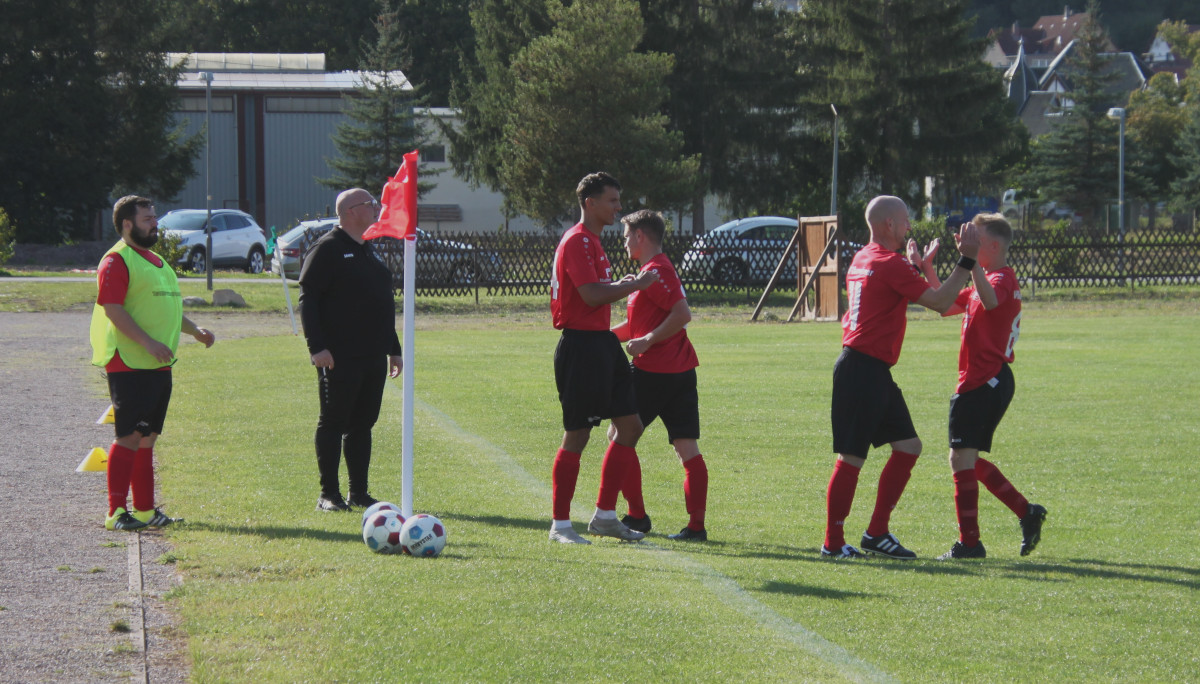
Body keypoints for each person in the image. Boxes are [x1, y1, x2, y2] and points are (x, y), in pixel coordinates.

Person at [822, 195, 980, 559]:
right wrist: (966, 260)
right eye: (906, 220)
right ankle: (832, 543)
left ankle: (876, 533)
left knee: (909, 446)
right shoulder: (889, 264)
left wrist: (915, 268)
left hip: (869, 369)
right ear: (890, 225)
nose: (910, 226)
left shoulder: (864, 256)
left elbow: (890, 286)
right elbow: (941, 303)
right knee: (851, 458)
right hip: (863, 369)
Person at [918, 213, 1047, 560]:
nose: (968, 242)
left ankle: (970, 544)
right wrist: (927, 268)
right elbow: (945, 306)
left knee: (960, 459)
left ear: (992, 246)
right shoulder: (985, 278)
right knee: (966, 461)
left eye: (976, 238)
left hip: (985, 379)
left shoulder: (1002, 277)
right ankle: (1026, 512)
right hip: (982, 379)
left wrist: (970, 261)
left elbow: (991, 301)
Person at [91, 195, 216, 531]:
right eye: (147, 219)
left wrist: (195, 331)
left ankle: (145, 511)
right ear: (127, 224)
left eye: (154, 217)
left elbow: (169, 310)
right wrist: (147, 342)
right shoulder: (117, 261)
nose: (155, 223)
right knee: (129, 435)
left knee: (147, 437)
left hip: (158, 363)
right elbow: (113, 309)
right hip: (130, 362)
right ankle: (116, 512)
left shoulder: (155, 260)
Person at [548, 172, 659, 544]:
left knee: (631, 425)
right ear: (589, 203)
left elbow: (598, 292)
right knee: (577, 434)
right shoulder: (577, 241)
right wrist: (634, 284)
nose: (619, 207)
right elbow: (591, 295)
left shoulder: (593, 242)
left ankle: (605, 516)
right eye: (612, 200)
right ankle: (561, 525)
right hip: (581, 347)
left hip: (602, 344)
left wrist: (623, 283)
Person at [299, 188, 403, 512]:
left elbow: (380, 304)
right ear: (349, 212)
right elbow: (309, 298)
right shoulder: (328, 248)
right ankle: (328, 494)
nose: (376, 208)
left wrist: (393, 348)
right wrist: (317, 347)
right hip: (338, 356)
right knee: (333, 421)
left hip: (372, 355)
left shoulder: (368, 249)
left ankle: (359, 492)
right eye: (370, 204)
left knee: (363, 424)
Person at [610, 209, 708, 541]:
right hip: (678, 372)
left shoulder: (656, 271)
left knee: (618, 438)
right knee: (687, 449)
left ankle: (636, 516)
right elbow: (637, 328)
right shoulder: (648, 273)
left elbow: (682, 314)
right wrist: (603, 336)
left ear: (641, 236)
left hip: (656, 374)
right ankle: (695, 527)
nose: (624, 242)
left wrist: (648, 341)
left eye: (626, 236)